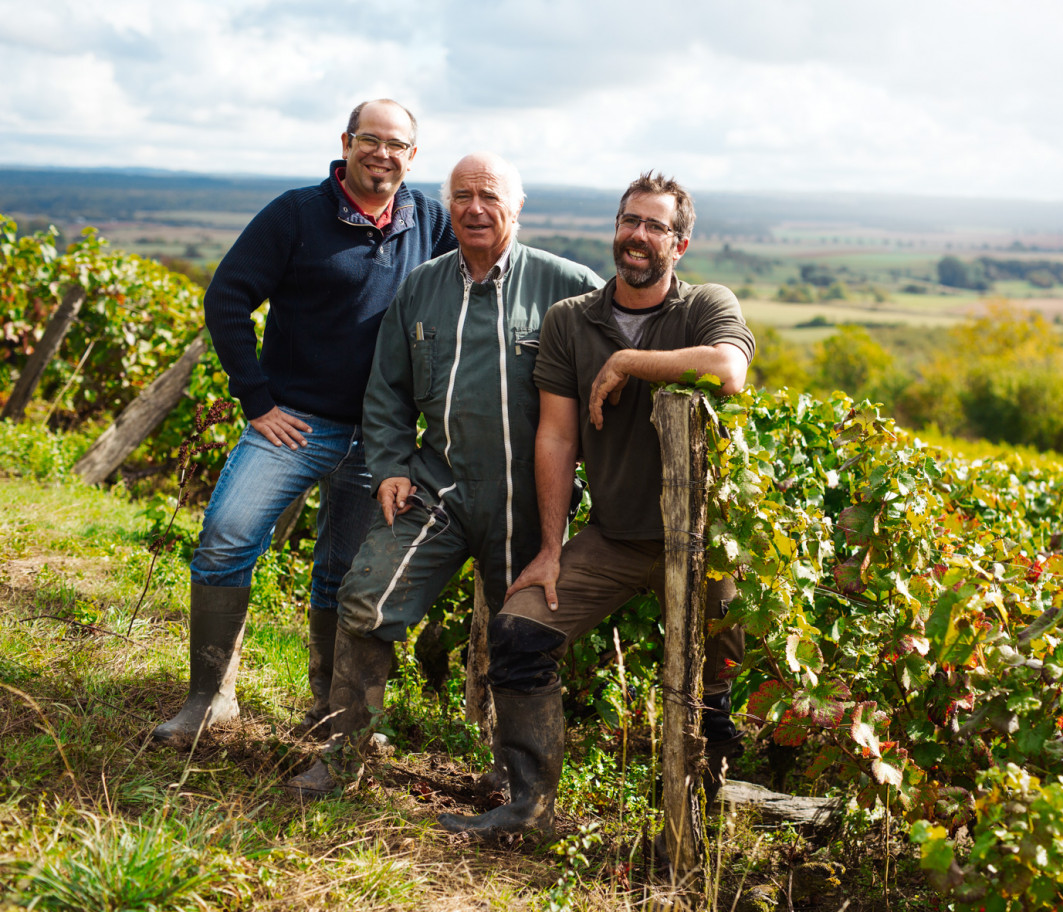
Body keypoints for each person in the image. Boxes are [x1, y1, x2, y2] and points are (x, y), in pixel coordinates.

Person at [438, 171, 754, 839]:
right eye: (628, 221)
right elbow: (555, 437)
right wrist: (552, 551)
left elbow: (729, 371)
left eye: (655, 226)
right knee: (518, 635)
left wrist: (630, 365)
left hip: (706, 540)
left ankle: (707, 828)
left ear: (681, 243)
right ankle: (528, 809)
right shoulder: (570, 321)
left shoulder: (704, 307)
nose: (637, 235)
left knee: (717, 689)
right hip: (615, 537)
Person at [284, 152, 604, 796]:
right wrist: (391, 466)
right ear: (446, 206)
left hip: (530, 499)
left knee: (523, 636)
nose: (476, 209)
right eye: (462, 197)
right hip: (441, 487)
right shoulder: (422, 287)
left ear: (516, 208)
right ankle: (344, 758)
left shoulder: (569, 285)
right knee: (367, 597)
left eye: (489, 197)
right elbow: (387, 391)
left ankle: (520, 791)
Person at [152, 100, 457, 749]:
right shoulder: (296, 214)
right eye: (369, 140)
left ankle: (328, 710)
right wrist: (257, 400)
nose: (382, 152)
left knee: (345, 570)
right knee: (227, 539)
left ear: (413, 154)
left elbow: (478, 284)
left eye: (396, 143)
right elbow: (227, 297)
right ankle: (211, 701)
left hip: (382, 435)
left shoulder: (430, 219)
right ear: (346, 142)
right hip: (295, 423)